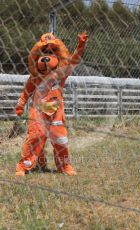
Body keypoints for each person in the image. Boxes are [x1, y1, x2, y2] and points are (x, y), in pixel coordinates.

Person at [15, 31, 88, 176]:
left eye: (51, 53)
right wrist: (20, 105)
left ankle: (64, 166)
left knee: (60, 139)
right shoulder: (35, 77)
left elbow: (73, 61)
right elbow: (26, 93)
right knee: (36, 136)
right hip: (38, 111)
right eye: (43, 53)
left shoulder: (61, 73)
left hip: (56, 113)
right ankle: (25, 166)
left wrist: (80, 46)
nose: (47, 57)